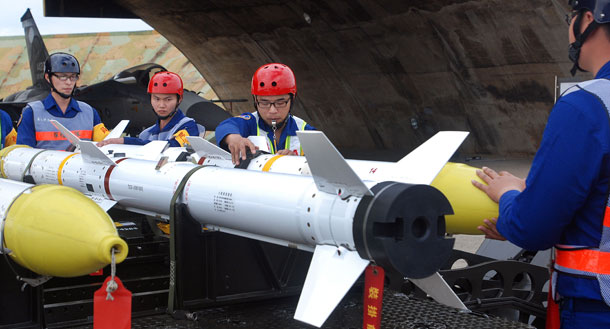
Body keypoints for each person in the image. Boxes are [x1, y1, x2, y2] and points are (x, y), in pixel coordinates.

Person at [472, 1, 610, 327]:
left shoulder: (588, 108)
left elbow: (532, 227)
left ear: (588, 18)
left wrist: (509, 197)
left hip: (596, 307)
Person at [215, 63, 316, 165]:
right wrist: (233, 138)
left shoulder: (306, 131)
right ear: (255, 100)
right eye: (264, 103)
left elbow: (325, 166)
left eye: (280, 103)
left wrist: (298, 162)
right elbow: (225, 126)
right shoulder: (250, 123)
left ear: (292, 99)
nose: (272, 110)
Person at [16, 52, 109, 150]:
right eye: (62, 76)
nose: (69, 82)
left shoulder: (89, 112)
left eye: (73, 77)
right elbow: (23, 156)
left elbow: (107, 144)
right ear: (48, 77)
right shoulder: (32, 113)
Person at [97, 71, 203, 148]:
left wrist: (125, 141)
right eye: (156, 99)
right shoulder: (146, 134)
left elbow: (171, 146)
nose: (161, 105)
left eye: (168, 99)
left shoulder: (189, 127)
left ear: (179, 100)